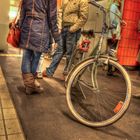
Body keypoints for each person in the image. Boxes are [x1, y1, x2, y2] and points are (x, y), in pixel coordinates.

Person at [18, 0, 61, 94]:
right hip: (41, 29)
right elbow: (52, 17)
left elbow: (22, 11)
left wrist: (20, 27)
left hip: (27, 27)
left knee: (26, 56)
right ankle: (30, 86)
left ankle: (29, 85)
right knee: (36, 58)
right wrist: (56, 36)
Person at [42, 0, 89, 77]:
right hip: (64, 28)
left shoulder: (83, 1)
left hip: (73, 29)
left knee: (70, 53)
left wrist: (72, 29)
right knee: (59, 50)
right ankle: (50, 71)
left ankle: (67, 74)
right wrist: (60, 26)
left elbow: (83, 17)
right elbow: (60, 12)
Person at [107, 0, 121, 75]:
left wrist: (120, 22)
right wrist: (114, 33)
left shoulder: (116, 7)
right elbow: (112, 20)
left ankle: (110, 70)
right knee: (111, 52)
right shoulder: (113, 6)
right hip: (113, 33)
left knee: (112, 51)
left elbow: (115, 20)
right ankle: (109, 70)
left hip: (115, 33)